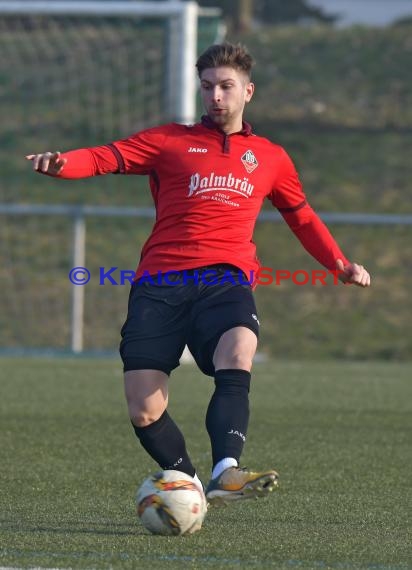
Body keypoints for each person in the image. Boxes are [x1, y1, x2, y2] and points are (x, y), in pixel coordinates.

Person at [26, 42, 370, 505]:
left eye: (226, 86)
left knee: (239, 350)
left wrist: (340, 264)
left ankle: (227, 469)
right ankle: (187, 481)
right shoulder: (169, 141)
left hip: (225, 279)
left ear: (248, 91)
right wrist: (62, 163)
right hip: (160, 283)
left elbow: (301, 216)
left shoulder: (271, 158)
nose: (215, 96)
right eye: (207, 86)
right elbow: (106, 157)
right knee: (145, 409)